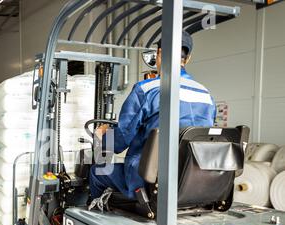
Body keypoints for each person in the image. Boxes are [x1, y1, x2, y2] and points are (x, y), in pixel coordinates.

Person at [89, 31, 216, 200]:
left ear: (160, 54)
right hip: (192, 180)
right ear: (188, 58)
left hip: (146, 179)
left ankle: (97, 215)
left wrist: (102, 138)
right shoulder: (206, 95)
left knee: (97, 171)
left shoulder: (147, 89)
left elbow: (121, 140)